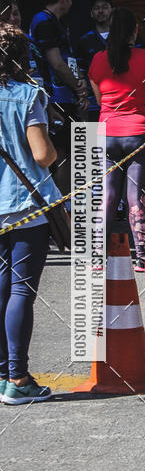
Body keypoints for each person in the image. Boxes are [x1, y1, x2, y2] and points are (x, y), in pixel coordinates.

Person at [0, 23, 60, 405]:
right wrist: (54, 151)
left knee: (1, 287)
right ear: (23, 57)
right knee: (21, 289)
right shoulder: (27, 95)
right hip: (26, 206)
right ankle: (19, 378)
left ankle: (3, 371)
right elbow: (42, 155)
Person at [88, 7, 145, 271]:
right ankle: (142, 257)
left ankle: (98, 255)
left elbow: (99, 101)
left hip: (107, 134)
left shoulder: (98, 60)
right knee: (136, 196)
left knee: (107, 196)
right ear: (135, 30)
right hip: (141, 134)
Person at [29, 0, 88, 193]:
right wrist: (78, 86)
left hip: (66, 96)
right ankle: (62, 206)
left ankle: (69, 204)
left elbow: (67, 60)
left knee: (75, 150)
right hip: (56, 98)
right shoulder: (43, 21)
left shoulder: (55, 22)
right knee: (62, 152)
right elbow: (57, 63)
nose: (71, 5)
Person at [76, 0, 113, 122]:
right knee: (92, 140)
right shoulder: (85, 40)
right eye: (96, 8)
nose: (101, 11)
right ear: (91, 13)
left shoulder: (122, 37)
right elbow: (78, 69)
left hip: (119, 101)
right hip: (92, 102)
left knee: (116, 139)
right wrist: (82, 95)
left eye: (104, 7)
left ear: (111, 10)